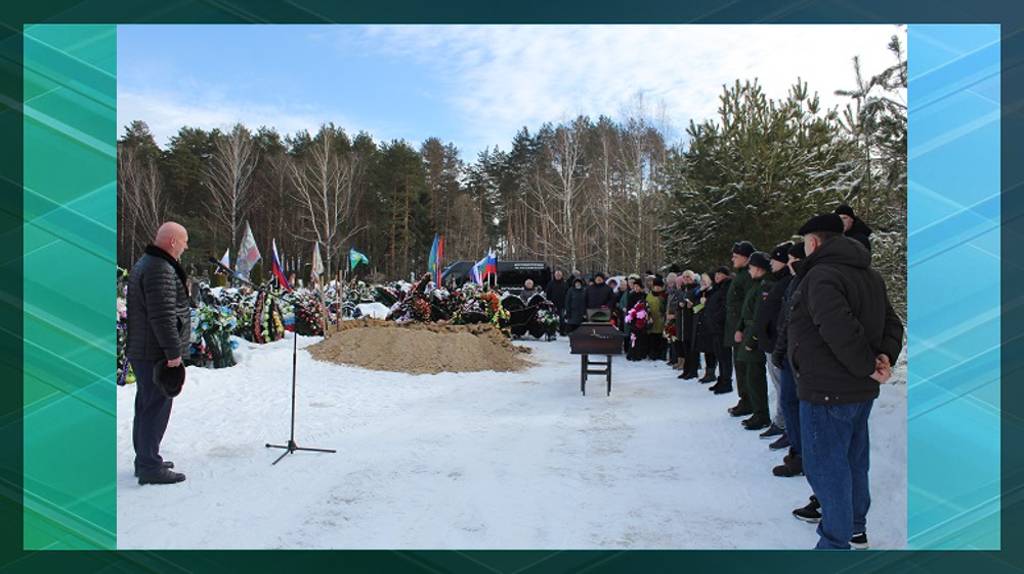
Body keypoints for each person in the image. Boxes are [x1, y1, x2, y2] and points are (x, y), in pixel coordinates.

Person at [788, 213, 904, 550]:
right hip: (855, 391)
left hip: (828, 391)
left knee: (827, 470)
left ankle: (834, 545)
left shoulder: (822, 275)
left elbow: (837, 328)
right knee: (853, 462)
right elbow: (893, 327)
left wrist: (870, 364)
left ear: (814, 242)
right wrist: (884, 357)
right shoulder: (869, 275)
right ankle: (854, 529)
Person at [126, 222, 192, 485]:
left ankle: (145, 458)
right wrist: (173, 353)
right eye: (184, 242)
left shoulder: (148, 263)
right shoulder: (159, 268)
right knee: (155, 407)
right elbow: (163, 315)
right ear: (173, 242)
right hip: (155, 352)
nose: (186, 247)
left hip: (146, 349)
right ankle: (149, 467)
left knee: (146, 405)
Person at [772, 242, 808, 474]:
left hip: (798, 355)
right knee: (788, 402)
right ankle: (797, 449)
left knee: (794, 403)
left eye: (791, 259)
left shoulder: (807, 281)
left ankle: (801, 453)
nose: (788, 264)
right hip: (788, 352)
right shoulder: (794, 281)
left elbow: (793, 321)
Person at [753, 242, 794, 441]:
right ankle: (781, 422)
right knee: (779, 387)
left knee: (783, 389)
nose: (771, 263)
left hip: (777, 344)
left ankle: (785, 426)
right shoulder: (776, 281)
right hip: (771, 343)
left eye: (775, 260)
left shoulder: (787, 282)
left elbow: (781, 316)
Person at [737, 251, 774, 431]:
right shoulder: (755, 285)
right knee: (750, 376)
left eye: (751, 267)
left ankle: (761, 413)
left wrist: (752, 339)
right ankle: (757, 410)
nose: (749, 270)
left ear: (759, 268)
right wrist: (740, 328)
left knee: (755, 376)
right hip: (749, 331)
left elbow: (760, 315)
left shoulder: (763, 286)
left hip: (755, 335)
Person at [724, 241, 756, 415]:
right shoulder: (741, 275)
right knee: (740, 366)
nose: (732, 259)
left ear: (745, 257)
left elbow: (748, 305)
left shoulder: (748, 277)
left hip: (742, 330)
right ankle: (745, 398)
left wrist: (741, 328)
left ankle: (749, 401)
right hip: (736, 328)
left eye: (735, 256)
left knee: (745, 368)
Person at [706, 267, 733, 394]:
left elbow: (725, 307)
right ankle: (721, 379)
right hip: (715, 328)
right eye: (716, 273)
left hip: (722, 327)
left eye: (720, 274)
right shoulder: (717, 288)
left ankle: (726, 381)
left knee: (724, 356)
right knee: (719, 355)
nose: (717, 276)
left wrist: (716, 318)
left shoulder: (727, 287)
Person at [694, 273, 718, 383]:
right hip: (702, 324)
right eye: (702, 280)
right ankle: (708, 372)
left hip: (711, 325)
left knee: (711, 350)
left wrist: (706, 302)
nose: (703, 282)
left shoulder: (714, 291)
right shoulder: (701, 292)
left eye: (705, 279)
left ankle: (711, 372)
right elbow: (696, 306)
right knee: (706, 350)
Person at [678, 271, 702, 380]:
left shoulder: (697, 289)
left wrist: (692, 305)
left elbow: (700, 304)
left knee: (692, 348)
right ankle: (686, 369)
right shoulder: (682, 290)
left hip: (692, 321)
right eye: (684, 277)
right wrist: (680, 305)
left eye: (688, 277)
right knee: (685, 347)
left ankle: (693, 370)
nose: (686, 279)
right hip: (683, 322)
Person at [646, 277, 668, 360]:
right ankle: (652, 354)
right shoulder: (649, 295)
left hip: (662, 320)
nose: (657, 288)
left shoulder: (664, 295)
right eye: (655, 286)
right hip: (651, 320)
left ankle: (661, 355)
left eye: (659, 286)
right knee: (652, 338)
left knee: (661, 338)